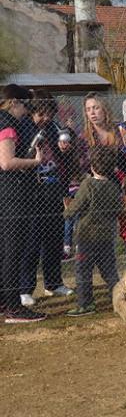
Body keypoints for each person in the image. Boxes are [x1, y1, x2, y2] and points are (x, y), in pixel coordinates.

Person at [17, 90, 74, 307]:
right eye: (41, 114)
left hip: (53, 188)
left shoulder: (52, 128)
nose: (46, 118)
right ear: (33, 111)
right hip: (33, 190)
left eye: (49, 113)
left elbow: (66, 147)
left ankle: (53, 283)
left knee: (54, 237)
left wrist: (64, 147)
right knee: (32, 240)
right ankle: (24, 288)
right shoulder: (24, 127)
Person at [0, 85, 47, 323]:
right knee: (12, 252)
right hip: (13, 196)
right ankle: (13, 308)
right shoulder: (7, 124)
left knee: (6, 251)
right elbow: (7, 162)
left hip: (8, 195)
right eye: (24, 105)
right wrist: (35, 161)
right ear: (14, 103)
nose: (26, 110)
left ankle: (5, 303)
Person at [64, 146, 123, 317]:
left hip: (86, 238)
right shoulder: (113, 187)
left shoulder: (87, 184)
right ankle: (120, 299)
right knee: (110, 271)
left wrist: (67, 210)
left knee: (83, 270)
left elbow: (76, 207)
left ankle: (85, 304)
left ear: (91, 166)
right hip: (106, 237)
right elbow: (119, 210)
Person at [57, 126, 83, 261]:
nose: (63, 144)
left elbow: (77, 175)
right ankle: (67, 248)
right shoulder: (58, 155)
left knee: (76, 220)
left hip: (75, 191)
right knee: (68, 221)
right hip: (65, 192)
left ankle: (79, 248)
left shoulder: (75, 155)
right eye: (60, 141)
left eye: (66, 141)